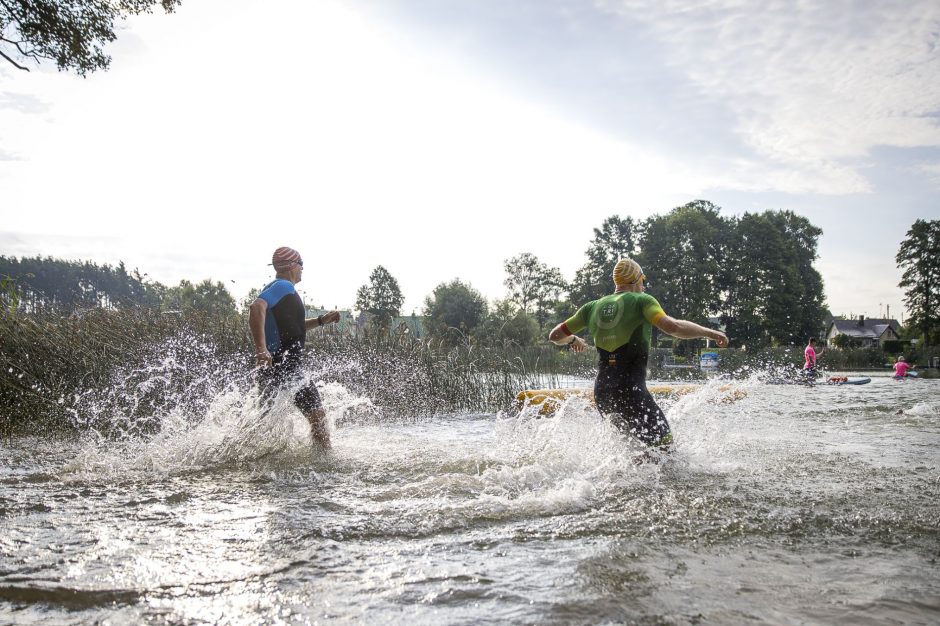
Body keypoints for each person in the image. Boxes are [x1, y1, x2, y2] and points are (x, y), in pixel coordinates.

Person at [548, 258, 728, 449]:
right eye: (643, 280)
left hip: (602, 392)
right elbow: (673, 327)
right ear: (636, 280)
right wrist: (711, 333)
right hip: (631, 391)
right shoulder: (642, 300)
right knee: (665, 452)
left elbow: (555, 335)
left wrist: (573, 340)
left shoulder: (591, 307)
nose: (643, 285)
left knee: (631, 453)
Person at [248, 246, 340, 448]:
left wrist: (321, 321)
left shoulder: (279, 290)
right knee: (318, 419)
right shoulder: (282, 286)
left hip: (274, 367)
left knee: (263, 424)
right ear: (292, 265)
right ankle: (324, 464)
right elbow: (256, 307)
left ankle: (240, 457)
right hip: (288, 366)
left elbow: (293, 327)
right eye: (301, 265)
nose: (302, 269)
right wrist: (261, 349)